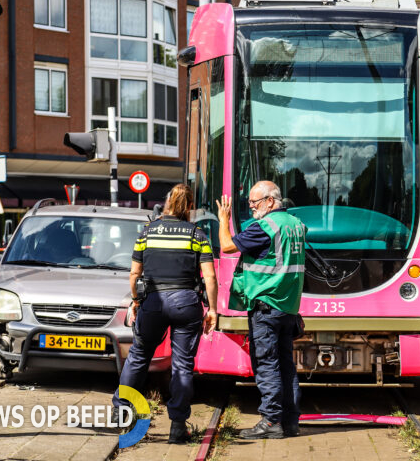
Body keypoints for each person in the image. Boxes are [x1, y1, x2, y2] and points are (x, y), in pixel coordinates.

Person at [112, 184, 218, 443]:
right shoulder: (197, 234)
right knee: (182, 365)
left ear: (167, 203)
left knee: (138, 356)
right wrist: (213, 309)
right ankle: (178, 427)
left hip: (154, 301)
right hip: (186, 303)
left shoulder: (147, 232)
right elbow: (210, 276)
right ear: (190, 206)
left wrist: (136, 301)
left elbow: (135, 273)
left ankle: (122, 412)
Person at [216, 181, 305, 439]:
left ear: (270, 201)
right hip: (288, 307)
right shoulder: (296, 225)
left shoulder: (265, 227)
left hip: (266, 306)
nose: (252, 207)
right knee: (286, 366)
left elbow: (227, 246)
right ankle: (290, 421)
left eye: (255, 202)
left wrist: (224, 219)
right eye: (250, 202)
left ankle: (270, 421)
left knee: (267, 365)